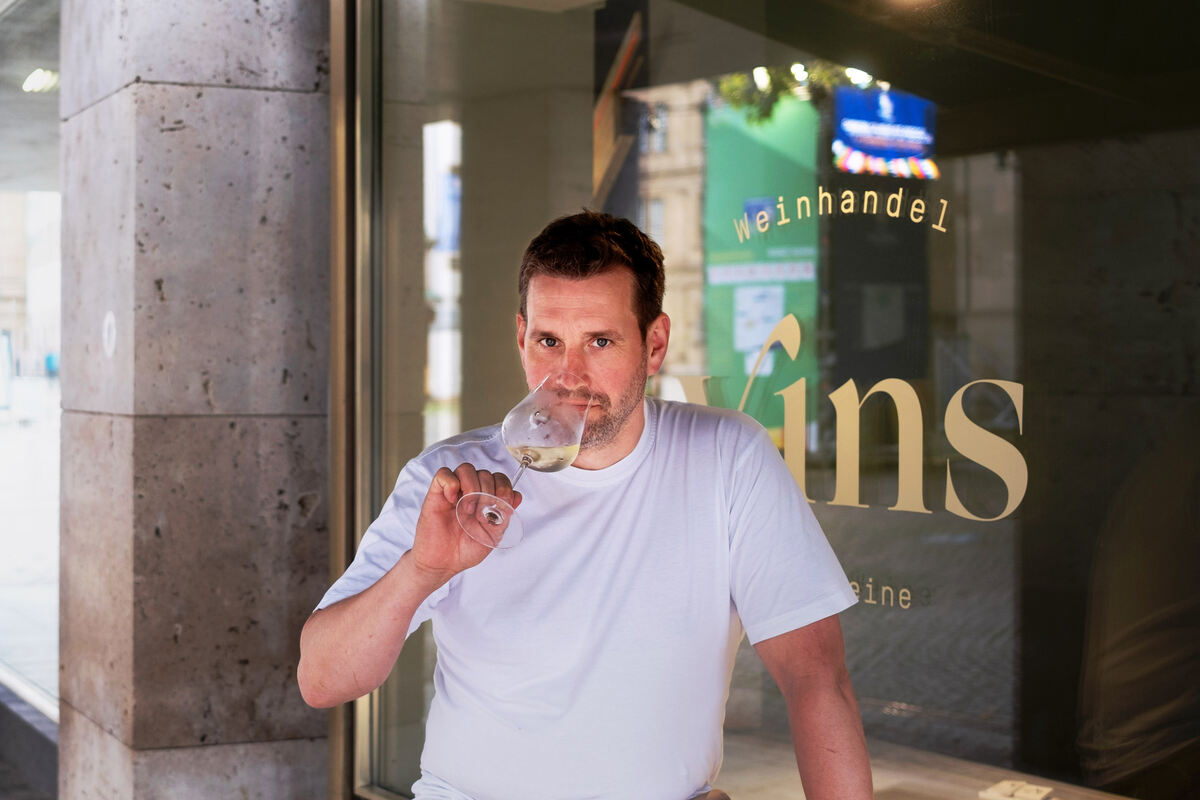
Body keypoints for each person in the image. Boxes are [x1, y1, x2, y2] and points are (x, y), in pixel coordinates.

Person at [298, 211, 873, 800]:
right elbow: (321, 682)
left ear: (654, 345)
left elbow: (816, 680)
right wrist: (421, 571)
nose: (569, 375)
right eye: (549, 341)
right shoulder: (450, 481)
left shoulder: (728, 457)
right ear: (522, 337)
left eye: (600, 341)